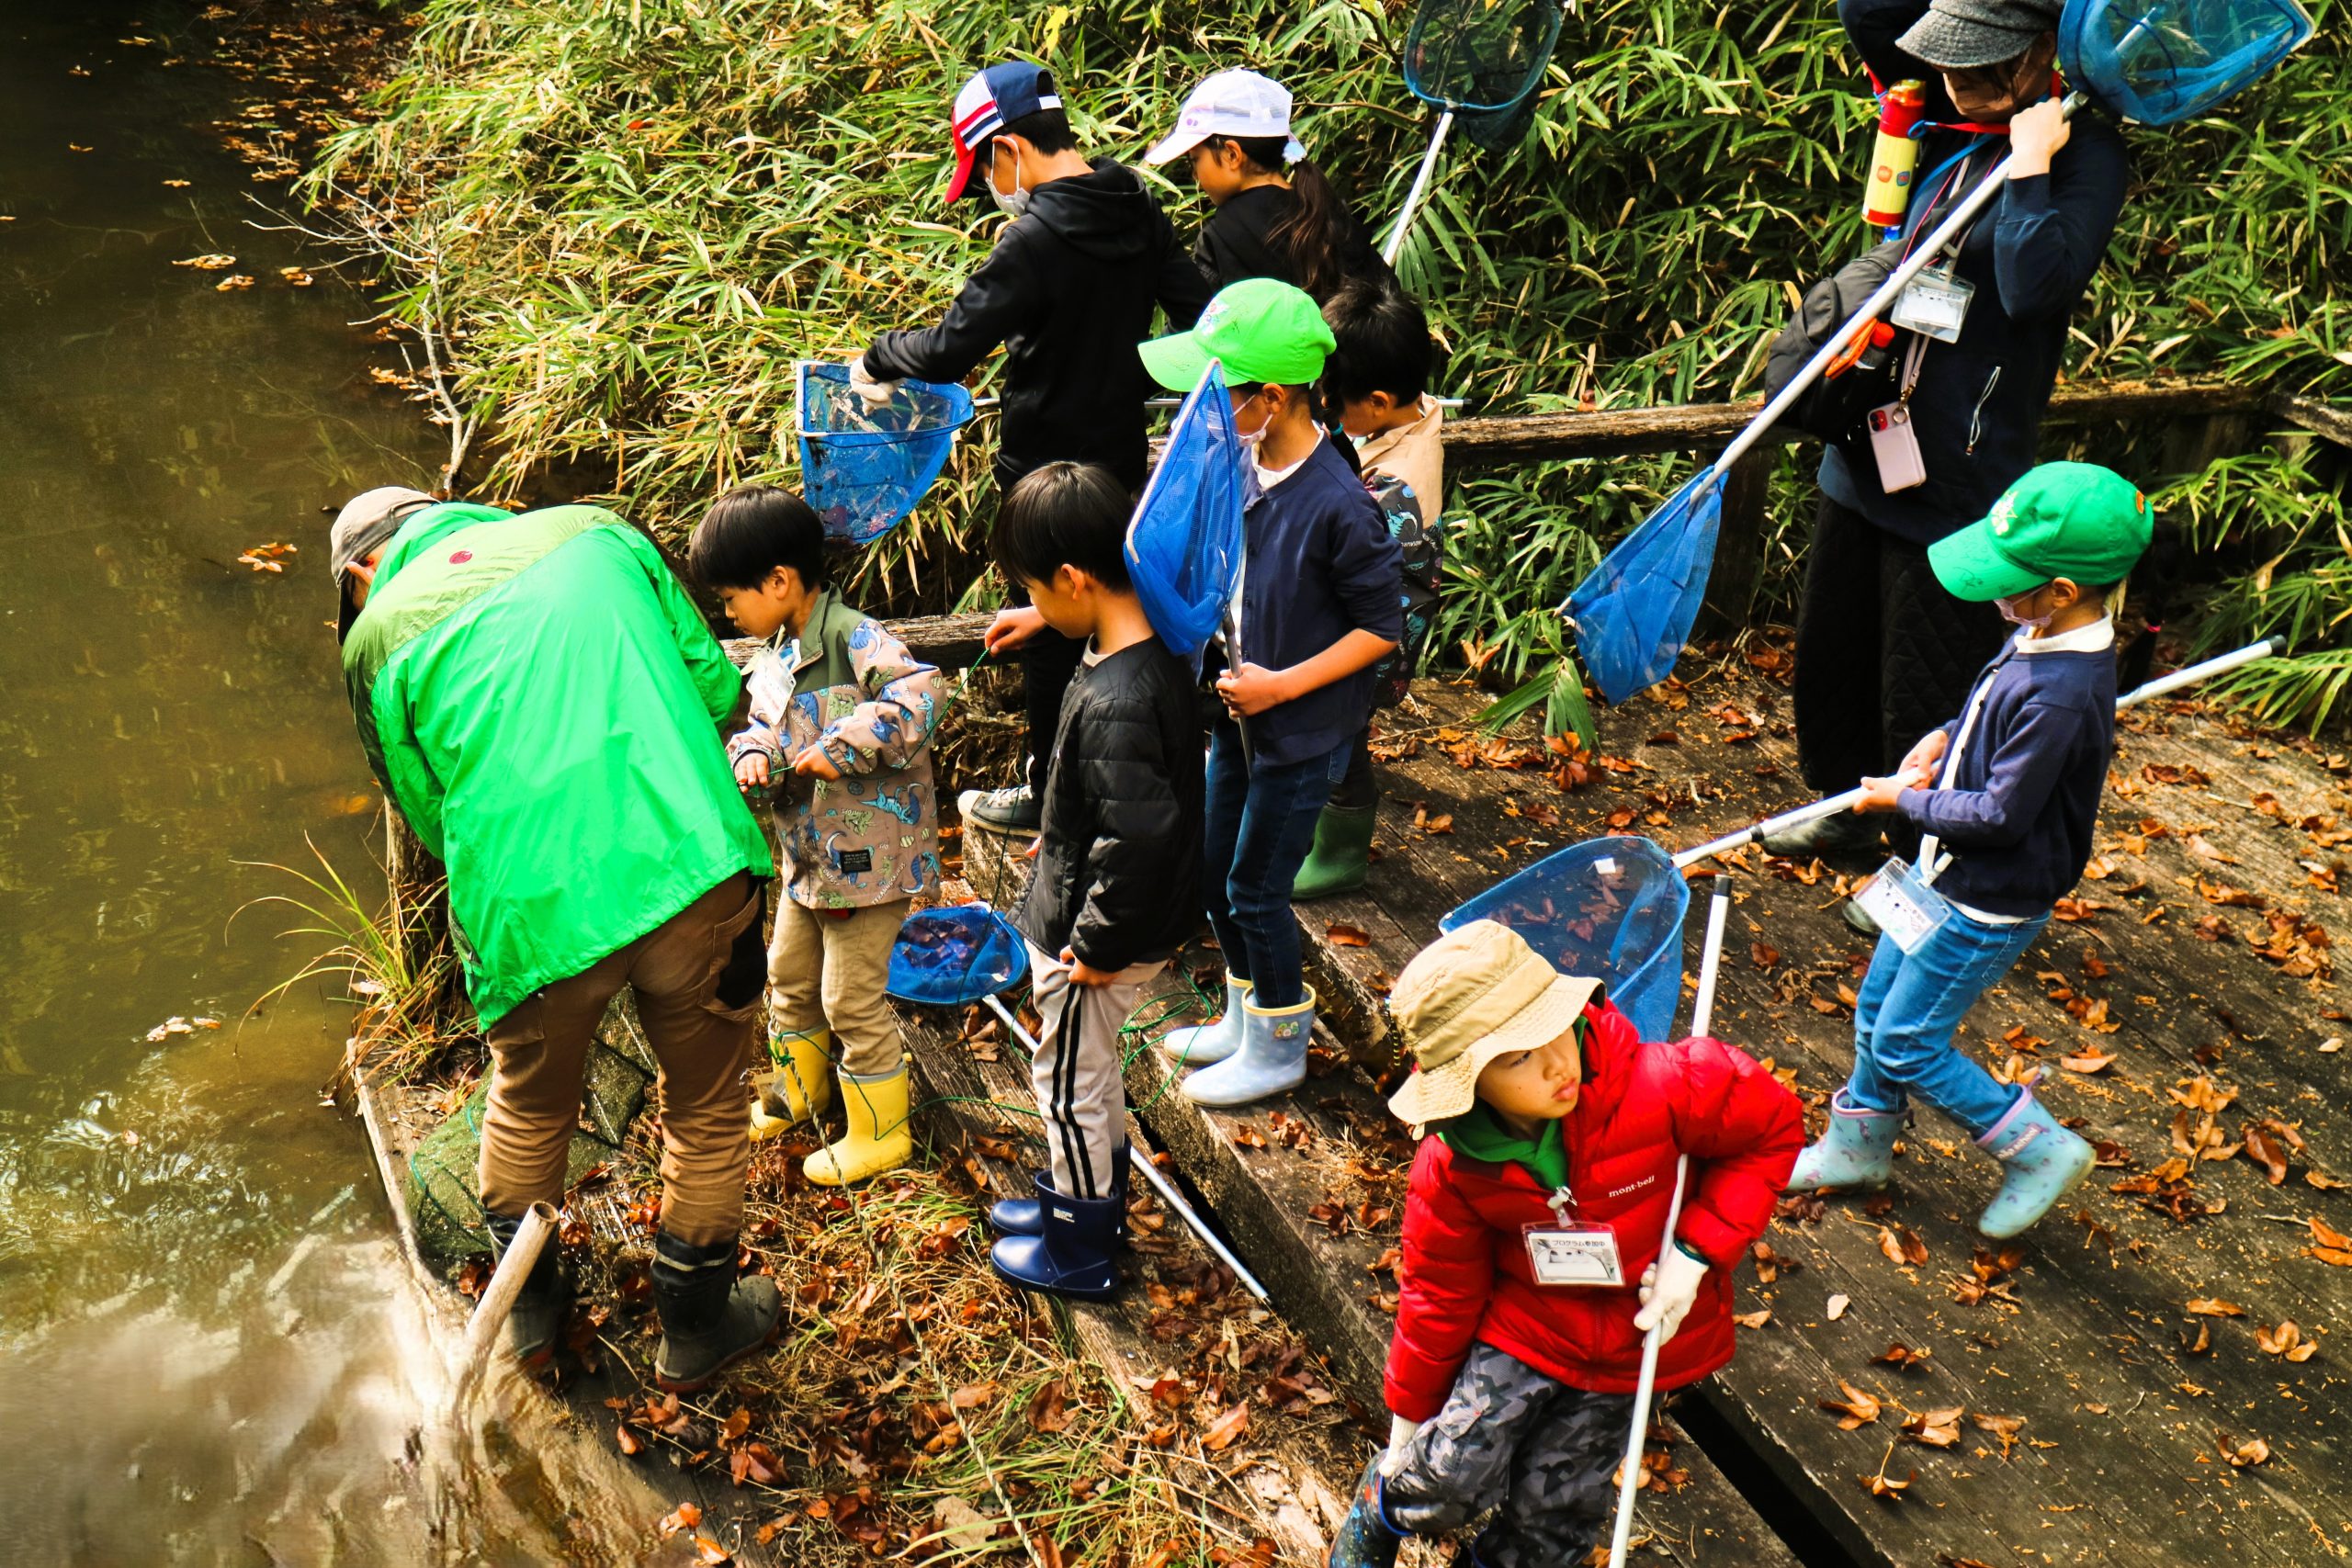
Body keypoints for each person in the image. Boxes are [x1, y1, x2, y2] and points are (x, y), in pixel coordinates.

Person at [331, 488, 781, 1393]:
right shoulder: (595, 530)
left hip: (531, 918)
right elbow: (715, 686)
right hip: (689, 865)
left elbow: (423, 811)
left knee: (530, 1106)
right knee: (705, 1103)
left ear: (359, 574)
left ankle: (533, 1315)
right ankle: (693, 1331)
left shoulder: (374, 638)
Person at [1768, 0, 2130, 884]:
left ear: (2043, 51)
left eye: (1982, 61)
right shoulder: (1947, 126)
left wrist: (2034, 165)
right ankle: (1847, 809)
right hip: (1870, 441)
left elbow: (2033, 284)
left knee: (1926, 685)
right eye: (1950, 59)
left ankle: (1917, 862)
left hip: (1961, 465)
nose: (1957, 79)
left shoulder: (2087, 155)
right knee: (1835, 659)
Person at [1325, 920, 1802, 1568]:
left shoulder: (1664, 1083)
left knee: (1549, 1523)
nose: (1555, 1062)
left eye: (1557, 1027)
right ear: (1467, 1080)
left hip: (1630, 1347)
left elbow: (1772, 1125)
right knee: (1447, 1478)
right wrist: (1408, 1423)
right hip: (1527, 1327)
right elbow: (1438, 1292)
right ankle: (1379, 1503)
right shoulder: (1455, 1162)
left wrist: (1692, 1257)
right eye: (1517, 1056)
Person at [1787, 462, 2151, 1237]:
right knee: (1880, 1010)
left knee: (1911, 1042)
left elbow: (1997, 815)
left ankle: (2039, 1147)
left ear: (2061, 590)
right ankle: (1858, 1147)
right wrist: (1944, 742)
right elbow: (1989, 713)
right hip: (1938, 878)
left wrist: (1903, 800)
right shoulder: (2040, 635)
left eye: (2010, 579)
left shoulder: (2062, 689)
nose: (1994, 593)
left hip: (1984, 902)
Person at [854, 61, 1212, 835]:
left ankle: (1050, 795)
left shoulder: (1035, 237)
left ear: (1010, 147)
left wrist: (879, 356)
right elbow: (1197, 313)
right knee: (1117, 611)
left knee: (1049, 634)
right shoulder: (1138, 205)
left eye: (985, 166)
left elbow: (952, 347)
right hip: (1118, 459)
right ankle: (1121, 776)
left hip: (1042, 470)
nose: (989, 184)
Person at [1142, 278, 1403, 1106]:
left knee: (1260, 887)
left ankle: (1282, 1040)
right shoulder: (1244, 459)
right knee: (1219, 872)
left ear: (1273, 397)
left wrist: (1281, 685)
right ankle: (1243, 1015)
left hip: (1298, 729)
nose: (1202, 405)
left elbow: (1380, 629)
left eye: (1220, 389)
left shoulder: (1339, 504)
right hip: (1239, 718)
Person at [978, 463, 1205, 1300]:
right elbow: (1112, 808)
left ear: (1075, 578)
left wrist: (1097, 944)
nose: (1037, 603)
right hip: (1093, 905)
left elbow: (1140, 835)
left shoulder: (1120, 696)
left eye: (1037, 589)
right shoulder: (1134, 646)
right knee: (1088, 1068)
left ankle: (1082, 1243)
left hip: (1098, 942)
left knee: (1066, 1079)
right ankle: (1079, 1202)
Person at [687, 485, 944, 1188]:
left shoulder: (855, 636)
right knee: (789, 978)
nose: (728, 610)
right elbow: (759, 728)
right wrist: (752, 758)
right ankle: (803, 1092)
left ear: (779, 581)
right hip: (810, 863)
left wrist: (848, 742)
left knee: (850, 998)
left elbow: (920, 692)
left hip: (873, 869)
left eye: (732, 595)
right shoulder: (777, 655)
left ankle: (881, 1131)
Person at [1295, 278, 1447, 901]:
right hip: (1381, 610)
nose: (1331, 411)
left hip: (1374, 634)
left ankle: (1341, 849)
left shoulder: (1394, 489)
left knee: (1343, 737)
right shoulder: (1419, 414)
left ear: (1379, 402)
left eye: (1338, 403)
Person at [1141, 67, 1394, 299]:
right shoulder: (1325, 210)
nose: (1195, 176)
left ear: (1232, 154)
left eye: (1195, 160)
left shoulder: (1221, 236)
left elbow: (1198, 326)